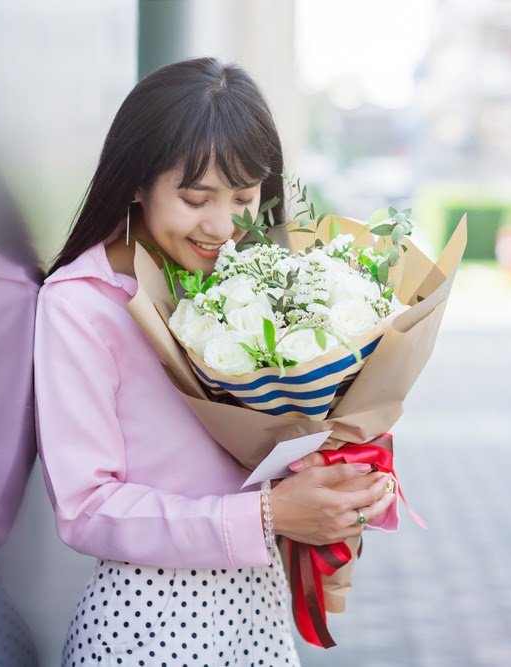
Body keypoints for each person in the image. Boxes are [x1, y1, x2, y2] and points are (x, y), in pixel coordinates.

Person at [33, 57, 398, 667]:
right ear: (135, 181)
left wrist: (346, 479)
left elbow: (278, 448)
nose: (223, 225)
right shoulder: (81, 303)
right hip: (150, 624)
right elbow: (86, 508)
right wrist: (266, 515)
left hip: (257, 611)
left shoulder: (256, 285)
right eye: (195, 197)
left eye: (244, 197)